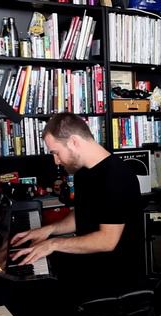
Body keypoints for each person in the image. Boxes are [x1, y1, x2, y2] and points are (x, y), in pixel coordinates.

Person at [10, 112, 143, 303]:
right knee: (27, 266)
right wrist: (48, 231)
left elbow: (107, 241)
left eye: (56, 152)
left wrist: (53, 243)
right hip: (93, 263)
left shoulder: (116, 176)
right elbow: (82, 214)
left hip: (115, 273)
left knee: (33, 292)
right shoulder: (83, 173)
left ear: (74, 142)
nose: (56, 161)